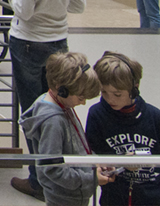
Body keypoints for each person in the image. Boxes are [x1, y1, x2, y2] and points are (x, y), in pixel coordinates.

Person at [1, 0, 87, 202]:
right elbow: (78, 5)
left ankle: (39, 180)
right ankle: (61, 174)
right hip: (59, 44)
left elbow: (23, 11)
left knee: (33, 114)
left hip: (28, 44)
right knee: (60, 109)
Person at [19, 52, 108, 206]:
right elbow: (52, 169)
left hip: (75, 191)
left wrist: (95, 163)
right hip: (65, 197)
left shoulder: (62, 103)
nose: (83, 103)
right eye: (80, 97)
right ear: (62, 89)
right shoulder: (53, 121)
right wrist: (90, 178)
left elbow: (77, 146)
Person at [86, 51, 160, 205]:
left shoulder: (154, 116)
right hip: (113, 197)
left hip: (151, 197)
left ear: (134, 88)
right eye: (104, 92)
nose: (110, 99)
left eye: (117, 94)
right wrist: (121, 163)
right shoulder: (96, 114)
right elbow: (94, 156)